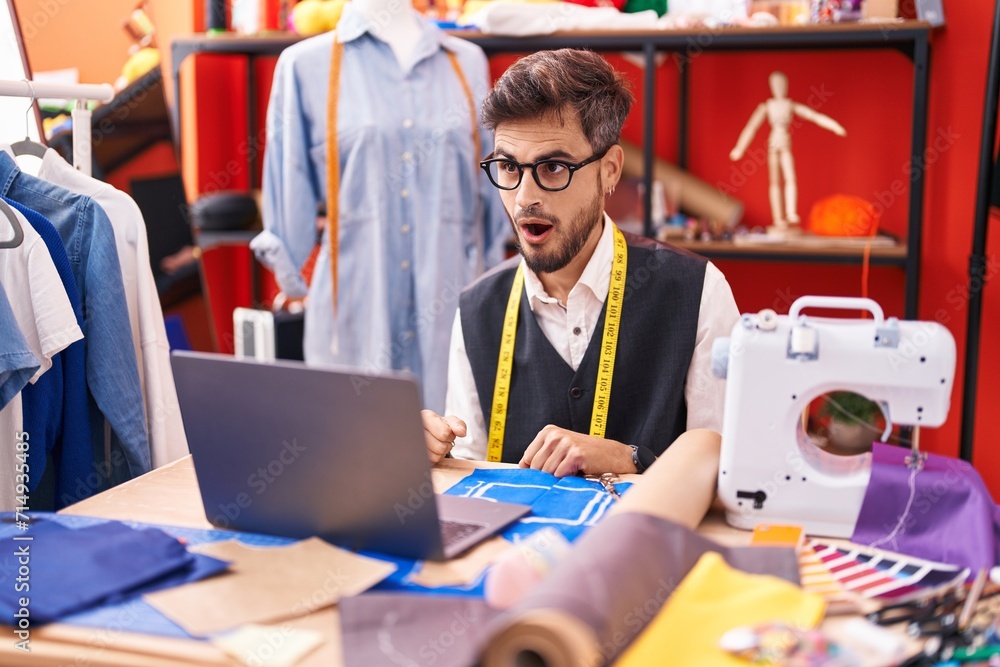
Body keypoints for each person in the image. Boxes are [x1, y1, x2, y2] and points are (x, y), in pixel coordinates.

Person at [422, 49, 740, 478]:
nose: (524, 197)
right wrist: (434, 455)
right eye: (508, 166)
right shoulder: (477, 308)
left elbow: (734, 473)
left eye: (553, 167)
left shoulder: (697, 291)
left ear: (610, 171)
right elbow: (471, 469)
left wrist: (629, 459)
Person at [729, 70, 846, 236]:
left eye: (782, 84)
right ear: (771, 86)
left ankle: (791, 212)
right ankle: (778, 218)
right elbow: (751, 127)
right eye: (776, 84)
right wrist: (739, 148)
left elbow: (813, 115)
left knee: (791, 177)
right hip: (773, 143)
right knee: (775, 181)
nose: (779, 87)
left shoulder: (790, 105)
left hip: (785, 142)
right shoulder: (766, 106)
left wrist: (834, 125)